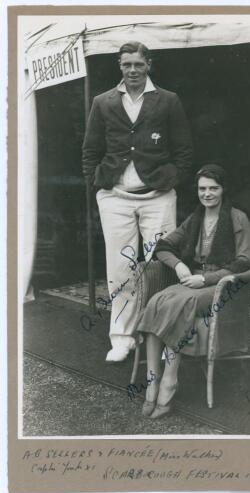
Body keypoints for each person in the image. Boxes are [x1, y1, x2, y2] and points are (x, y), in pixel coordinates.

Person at [82, 41, 193, 362]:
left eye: (138, 64)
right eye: (126, 64)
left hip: (158, 199)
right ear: (119, 66)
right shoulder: (103, 102)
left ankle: (159, 335)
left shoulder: (168, 100)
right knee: (120, 270)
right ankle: (122, 338)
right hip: (115, 199)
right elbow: (90, 151)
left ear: (149, 65)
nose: (132, 70)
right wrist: (97, 183)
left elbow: (184, 151)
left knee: (159, 267)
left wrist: (168, 180)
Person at [136, 164, 250, 418]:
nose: (207, 193)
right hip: (193, 279)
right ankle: (152, 379)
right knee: (156, 301)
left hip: (221, 285)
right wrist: (179, 265)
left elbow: (244, 262)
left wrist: (207, 278)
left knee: (180, 305)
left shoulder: (237, 217)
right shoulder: (195, 218)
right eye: (202, 188)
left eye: (214, 188)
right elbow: (163, 246)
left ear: (223, 190)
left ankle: (170, 379)